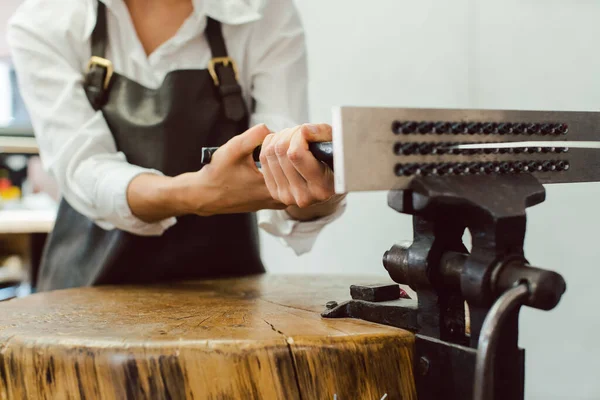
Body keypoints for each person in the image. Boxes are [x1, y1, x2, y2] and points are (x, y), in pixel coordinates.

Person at [7, 0, 346, 291]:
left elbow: (283, 159)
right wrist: (198, 194)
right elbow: (83, 168)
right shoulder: (46, 20)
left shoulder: (261, 11)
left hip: (224, 303)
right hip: (84, 299)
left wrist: (313, 188)